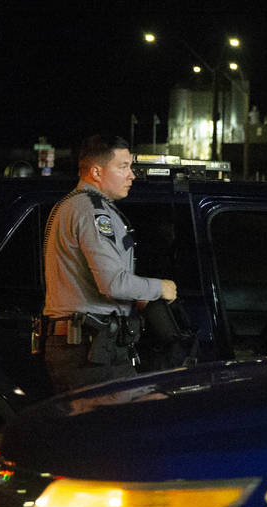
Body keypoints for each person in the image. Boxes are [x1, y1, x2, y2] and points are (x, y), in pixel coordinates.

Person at [42, 134, 176, 392]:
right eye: (123, 166)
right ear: (96, 171)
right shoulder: (92, 211)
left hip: (89, 347)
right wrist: (161, 288)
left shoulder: (78, 205)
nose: (132, 175)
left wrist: (136, 298)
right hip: (89, 354)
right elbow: (113, 283)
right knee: (115, 426)